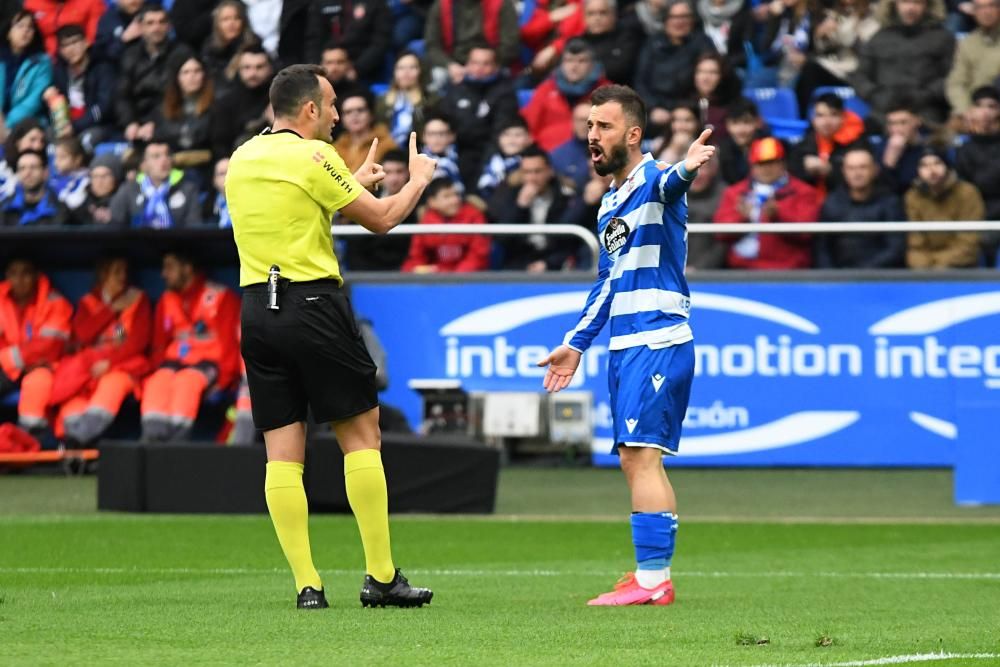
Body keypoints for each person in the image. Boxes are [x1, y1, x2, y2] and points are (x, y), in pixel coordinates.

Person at [225, 63, 438, 609]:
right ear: (310, 109)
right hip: (313, 304)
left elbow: (294, 207)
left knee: (281, 453)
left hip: (256, 308)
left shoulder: (244, 157)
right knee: (361, 435)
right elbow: (384, 220)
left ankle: (306, 586)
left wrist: (350, 184)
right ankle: (382, 578)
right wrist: (417, 179)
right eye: (333, 103)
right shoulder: (314, 156)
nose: (340, 114)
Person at [536, 84, 715, 606]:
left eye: (604, 127)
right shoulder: (611, 200)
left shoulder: (654, 179)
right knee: (632, 458)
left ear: (633, 135)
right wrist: (576, 343)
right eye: (590, 126)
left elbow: (672, 184)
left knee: (641, 455)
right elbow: (607, 284)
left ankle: (654, 581)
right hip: (626, 343)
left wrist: (689, 166)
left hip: (658, 337)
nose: (592, 136)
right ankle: (650, 574)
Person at [141, 249, 241, 441]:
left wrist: (224, 381)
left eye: (170, 267)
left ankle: (175, 444)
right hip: (174, 363)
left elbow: (231, 345)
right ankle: (151, 444)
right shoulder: (166, 299)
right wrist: (158, 367)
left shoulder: (220, 297)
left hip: (208, 365)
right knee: (157, 382)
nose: (164, 274)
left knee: (186, 382)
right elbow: (159, 346)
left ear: (187, 269)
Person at [51, 256, 152, 446]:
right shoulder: (89, 302)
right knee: (74, 392)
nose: (122, 277)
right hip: (88, 366)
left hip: (120, 366)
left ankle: (83, 437)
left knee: (112, 383)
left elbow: (134, 342)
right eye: (116, 272)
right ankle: (72, 438)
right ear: (103, 275)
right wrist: (110, 310)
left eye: (124, 271)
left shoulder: (137, 299)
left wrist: (111, 362)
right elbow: (82, 336)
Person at [713, 137, 820, 269]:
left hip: (787, 271)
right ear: (752, 166)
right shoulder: (735, 193)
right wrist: (741, 218)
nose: (766, 169)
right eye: (760, 163)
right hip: (741, 271)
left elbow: (807, 234)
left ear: (782, 163)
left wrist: (778, 215)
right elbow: (720, 234)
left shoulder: (804, 192)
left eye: (771, 162)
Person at [0, 257, 73, 435]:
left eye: (26, 273)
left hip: (44, 366)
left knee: (38, 383)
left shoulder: (54, 302)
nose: (20, 279)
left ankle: (28, 441)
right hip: (9, 367)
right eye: (14, 274)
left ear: (36, 276)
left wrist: (7, 358)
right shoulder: (2, 300)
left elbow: (48, 347)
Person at [487, 144, 586, 271]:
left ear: (549, 171)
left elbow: (568, 240)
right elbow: (502, 239)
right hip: (519, 263)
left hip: (556, 262)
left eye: (538, 171)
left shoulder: (565, 195)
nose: (532, 178)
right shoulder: (509, 194)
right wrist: (520, 206)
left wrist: (548, 263)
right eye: (527, 172)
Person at [852, 0, 954, 124]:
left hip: (926, 112)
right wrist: (876, 95)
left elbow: (951, 77)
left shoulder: (943, 38)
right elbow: (860, 77)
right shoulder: (879, 38)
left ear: (928, 5)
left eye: (918, 2)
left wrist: (926, 95)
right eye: (905, 2)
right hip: (882, 112)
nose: (910, 8)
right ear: (894, 4)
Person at [816, 146, 907, 268]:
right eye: (851, 168)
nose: (857, 173)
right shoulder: (832, 203)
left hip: (880, 278)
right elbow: (822, 248)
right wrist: (831, 278)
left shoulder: (890, 202)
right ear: (843, 171)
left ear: (875, 170)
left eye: (863, 167)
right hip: (839, 279)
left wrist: (861, 274)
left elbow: (895, 248)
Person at [116, 6, 192, 144]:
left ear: (169, 26)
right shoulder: (130, 55)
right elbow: (123, 96)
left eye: (161, 22)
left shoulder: (182, 54)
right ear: (141, 27)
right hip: (138, 126)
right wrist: (130, 123)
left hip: (172, 124)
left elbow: (182, 97)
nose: (156, 28)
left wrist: (157, 125)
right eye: (150, 23)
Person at [521, 38, 610, 152]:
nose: (574, 67)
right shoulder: (546, 89)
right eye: (569, 61)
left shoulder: (606, 92)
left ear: (592, 64)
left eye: (581, 61)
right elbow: (531, 126)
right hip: (549, 154)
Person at [904, 147, 984, 268]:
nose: (932, 170)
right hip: (925, 269)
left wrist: (938, 266)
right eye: (924, 165)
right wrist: (924, 267)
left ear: (947, 166)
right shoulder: (912, 196)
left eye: (937, 163)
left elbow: (969, 240)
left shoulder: (967, 192)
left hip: (962, 266)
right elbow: (916, 243)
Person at [48, 24, 117, 152]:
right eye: (65, 45)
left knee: (85, 142)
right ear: (61, 51)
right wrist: (50, 99)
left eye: (75, 42)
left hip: (98, 125)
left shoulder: (102, 68)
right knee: (47, 136)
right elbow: (58, 105)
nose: (71, 49)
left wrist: (75, 126)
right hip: (68, 124)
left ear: (86, 43)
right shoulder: (59, 71)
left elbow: (104, 107)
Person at [402, 178, 491, 273]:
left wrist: (455, 276)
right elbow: (416, 256)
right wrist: (423, 270)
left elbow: (478, 255)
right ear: (432, 202)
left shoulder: (474, 216)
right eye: (447, 196)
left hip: (468, 279)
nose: (455, 200)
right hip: (436, 280)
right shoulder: (426, 220)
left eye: (456, 194)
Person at [110, 141, 202, 228]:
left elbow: (194, 228)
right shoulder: (128, 191)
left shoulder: (188, 190)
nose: (164, 160)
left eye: (167, 155)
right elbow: (116, 227)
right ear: (143, 165)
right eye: (156, 156)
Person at [945, 0, 1000, 128]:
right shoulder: (967, 43)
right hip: (973, 111)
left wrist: (991, 111)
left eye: (992, 6)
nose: (986, 12)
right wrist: (966, 110)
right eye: (980, 7)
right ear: (974, 12)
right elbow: (956, 84)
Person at [0, 11, 53, 134]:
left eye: (30, 27)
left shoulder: (42, 62)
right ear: (9, 32)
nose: (25, 31)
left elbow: (33, 101)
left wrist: (6, 124)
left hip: (28, 122)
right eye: (20, 26)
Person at [2, 150, 65, 226]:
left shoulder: (61, 210)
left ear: (45, 173)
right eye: (22, 168)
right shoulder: (4, 209)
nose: (27, 173)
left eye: (34, 167)